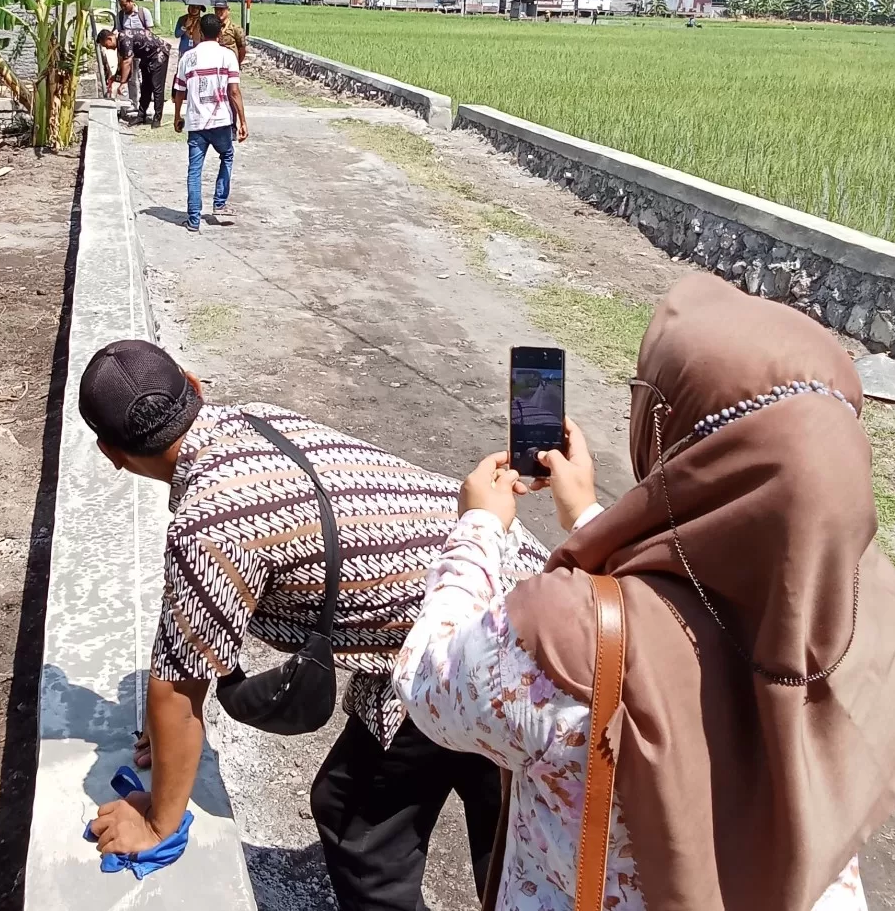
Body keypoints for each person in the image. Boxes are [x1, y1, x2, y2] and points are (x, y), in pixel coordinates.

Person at [394, 274, 895, 911]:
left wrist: (478, 527)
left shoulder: (567, 635)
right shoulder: (878, 620)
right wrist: (590, 516)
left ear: (663, 433)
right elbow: (708, 579)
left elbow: (430, 684)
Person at [78, 339, 551, 911]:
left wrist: (156, 824)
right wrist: (164, 734)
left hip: (463, 638)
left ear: (111, 453)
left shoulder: (208, 528)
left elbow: (178, 692)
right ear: (196, 385)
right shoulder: (258, 419)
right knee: (505, 815)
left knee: (357, 821)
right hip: (527, 594)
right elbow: (185, 649)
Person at [172, 13, 248, 232]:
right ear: (220, 33)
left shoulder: (188, 57)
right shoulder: (228, 56)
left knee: (194, 170)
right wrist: (242, 121)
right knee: (227, 155)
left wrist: (178, 116)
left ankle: (194, 220)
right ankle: (219, 203)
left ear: (201, 32)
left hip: (196, 123)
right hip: (221, 120)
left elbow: (179, 91)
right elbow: (234, 92)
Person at [98, 25, 171, 128]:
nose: (107, 48)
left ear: (109, 39)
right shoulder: (120, 42)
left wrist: (123, 83)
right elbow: (122, 63)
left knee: (156, 87)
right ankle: (141, 116)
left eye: (106, 45)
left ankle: (157, 118)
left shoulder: (123, 39)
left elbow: (127, 61)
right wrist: (116, 78)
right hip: (147, 58)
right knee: (145, 86)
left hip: (159, 54)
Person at [113, 0, 153, 105]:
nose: (123, 8)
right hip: (129, 54)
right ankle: (134, 102)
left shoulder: (143, 12)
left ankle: (146, 102)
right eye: (121, 5)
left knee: (145, 77)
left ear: (131, 1)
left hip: (144, 53)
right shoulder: (120, 16)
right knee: (132, 78)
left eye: (125, 5)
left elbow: (150, 33)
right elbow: (119, 32)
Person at [212, 0, 247, 66]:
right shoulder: (212, 27)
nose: (219, 12)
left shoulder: (236, 29)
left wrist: (237, 63)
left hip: (230, 64)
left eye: (221, 9)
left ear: (228, 10)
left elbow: (242, 49)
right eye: (217, 10)